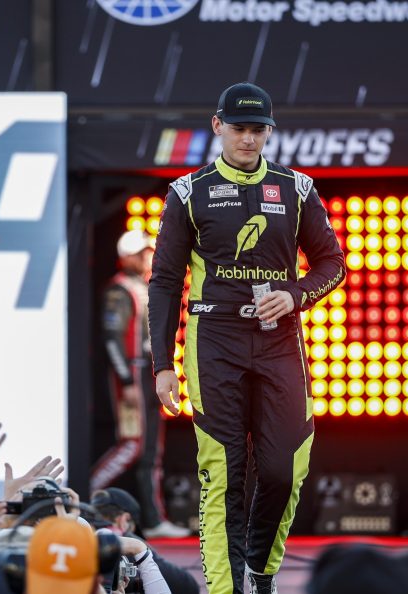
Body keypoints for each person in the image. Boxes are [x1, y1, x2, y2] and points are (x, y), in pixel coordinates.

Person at [149, 82, 346, 594]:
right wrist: (162, 365)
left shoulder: (296, 188)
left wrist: (295, 295)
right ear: (218, 126)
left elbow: (333, 263)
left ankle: (260, 571)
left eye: (259, 130)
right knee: (223, 472)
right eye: (239, 129)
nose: (249, 139)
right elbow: (165, 282)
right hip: (213, 339)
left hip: (279, 340)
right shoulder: (187, 192)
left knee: (286, 467)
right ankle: (225, 590)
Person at [92, 231, 190, 540]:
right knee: (131, 445)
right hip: (131, 375)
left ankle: (154, 520)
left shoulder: (147, 286)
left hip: (149, 373)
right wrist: (125, 380)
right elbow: (111, 340)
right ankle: (84, 494)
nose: (146, 257)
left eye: (148, 252)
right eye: (140, 253)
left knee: (150, 451)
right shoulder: (119, 291)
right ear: (126, 257)